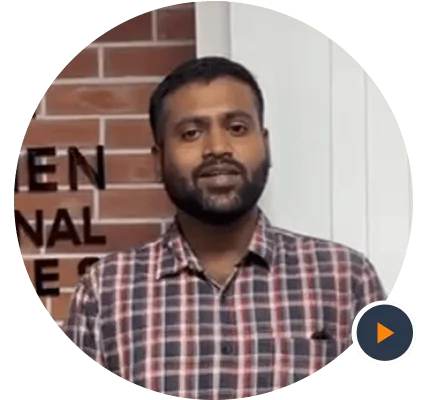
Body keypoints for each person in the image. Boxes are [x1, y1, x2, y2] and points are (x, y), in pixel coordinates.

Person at [64, 56, 386, 400]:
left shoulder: (347, 278)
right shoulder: (104, 292)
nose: (217, 148)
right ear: (158, 160)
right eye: (191, 133)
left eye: (237, 128)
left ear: (265, 144)